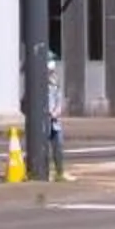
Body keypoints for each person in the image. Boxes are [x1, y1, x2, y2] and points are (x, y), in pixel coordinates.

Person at [45, 49, 71, 181]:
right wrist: (47, 111)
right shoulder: (38, 81)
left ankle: (60, 172)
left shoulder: (55, 79)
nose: (52, 63)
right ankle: (45, 172)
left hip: (55, 120)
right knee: (44, 148)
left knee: (58, 146)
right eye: (50, 60)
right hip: (44, 119)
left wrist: (57, 110)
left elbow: (59, 97)